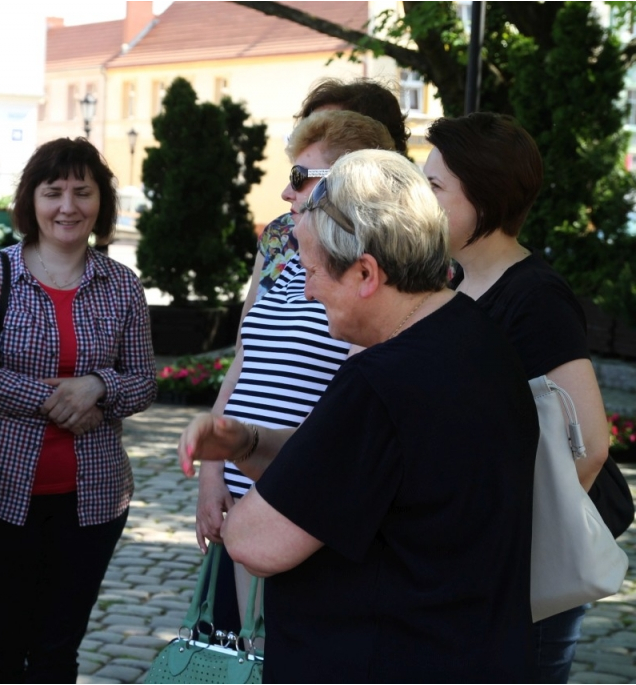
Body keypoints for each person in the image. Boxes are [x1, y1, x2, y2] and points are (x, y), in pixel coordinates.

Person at [178, 150, 539, 682]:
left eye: (313, 271)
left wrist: (245, 481)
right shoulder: (471, 332)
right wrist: (246, 443)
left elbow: (256, 542)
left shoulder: (380, 383)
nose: (307, 291)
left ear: (366, 272)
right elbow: (344, 479)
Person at [197, 78, 407, 627]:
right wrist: (213, 470)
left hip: (304, 517)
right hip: (245, 504)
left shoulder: (375, 282)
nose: (285, 193)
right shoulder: (286, 259)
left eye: (298, 176)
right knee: (240, 654)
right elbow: (246, 362)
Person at [0, 137, 157, 683]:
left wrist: (96, 386)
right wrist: (52, 400)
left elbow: (143, 382)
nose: (68, 206)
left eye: (82, 192)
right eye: (54, 192)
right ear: (32, 200)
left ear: (101, 202)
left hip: (92, 503)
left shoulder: (121, 285)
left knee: (56, 651)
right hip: (0, 496)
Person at [424, 112, 610, 683]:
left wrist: (506, 541)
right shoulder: (450, 279)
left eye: (433, 187)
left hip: (524, 572)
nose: (419, 200)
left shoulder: (536, 297)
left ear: (483, 196)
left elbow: (593, 446)